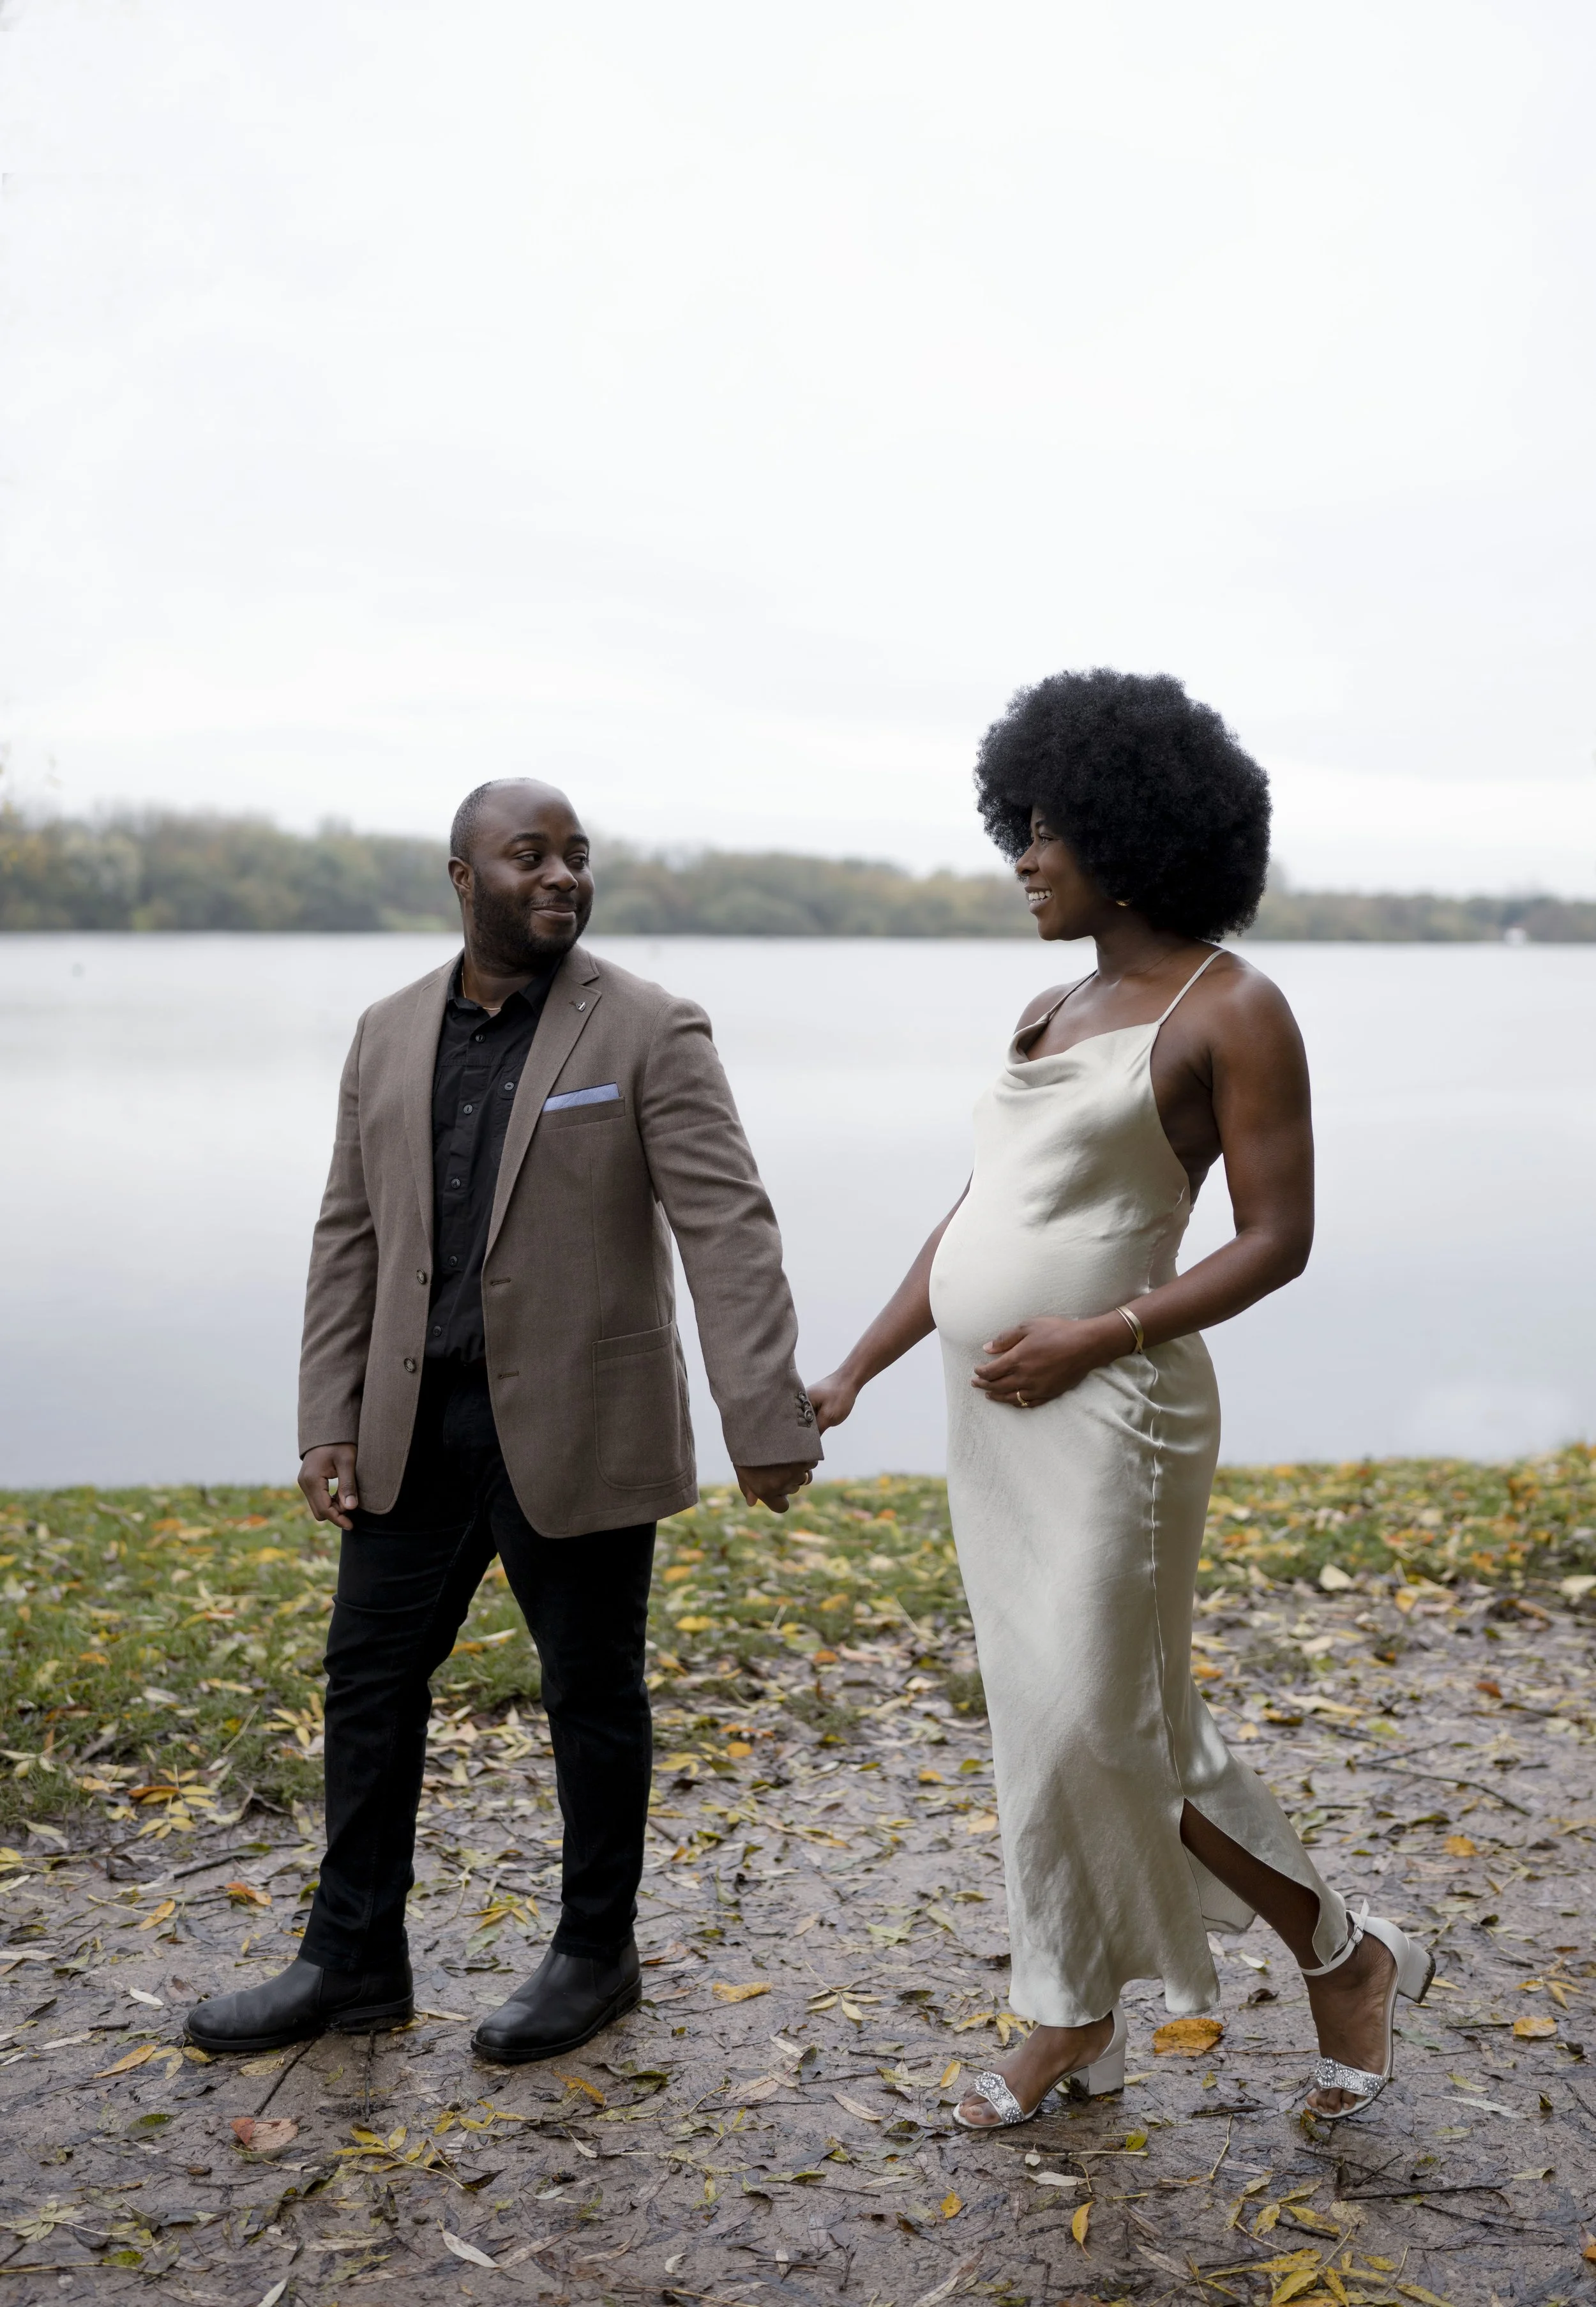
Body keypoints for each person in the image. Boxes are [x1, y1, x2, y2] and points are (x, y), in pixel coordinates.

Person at [808, 670, 1432, 2126]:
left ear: (1126, 832)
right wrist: (854, 1365)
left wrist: (1101, 1333)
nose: (1019, 856)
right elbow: (973, 1222)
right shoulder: (1046, 1006)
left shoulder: (1234, 1008)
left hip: (1117, 1415)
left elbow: (1277, 1240)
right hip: (995, 1415)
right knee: (1038, 1719)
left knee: (1110, 1722)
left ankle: (1338, 1955)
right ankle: (1066, 2015)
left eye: (1043, 828)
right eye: (1012, 825)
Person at [187, 778, 820, 2064]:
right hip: (413, 1423)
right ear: (463, 878)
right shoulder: (386, 1029)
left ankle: (596, 1954)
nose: (561, 878)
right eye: (528, 856)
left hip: (583, 1420)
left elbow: (726, 1225)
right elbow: (350, 1231)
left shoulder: (647, 1027)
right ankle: (353, 1959)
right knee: (367, 1683)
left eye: (576, 857)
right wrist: (328, 1415)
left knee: (591, 1693)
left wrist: (762, 1415)